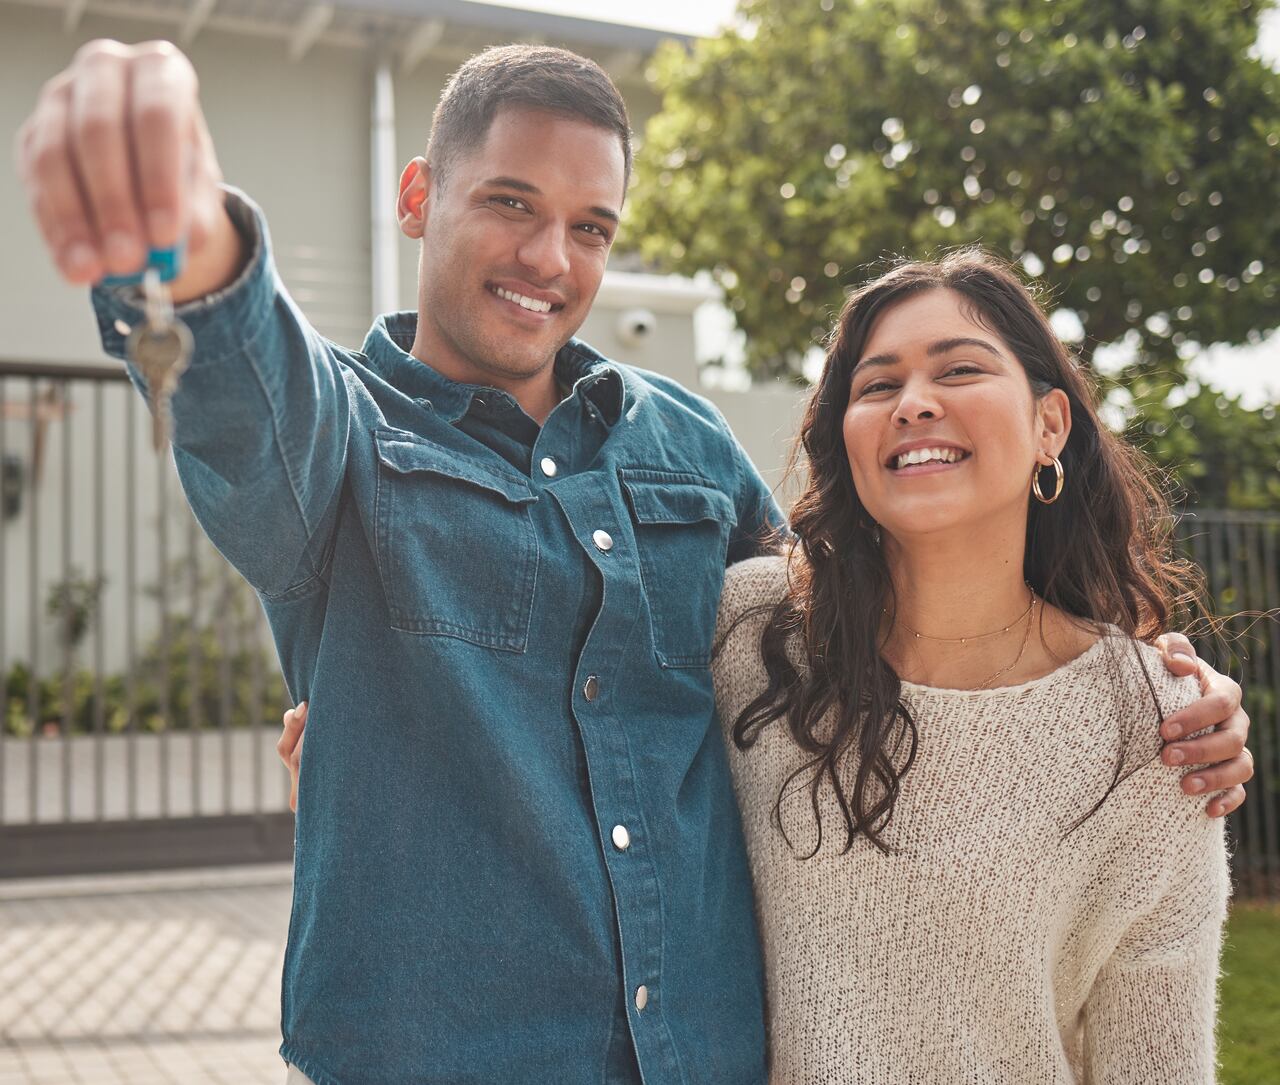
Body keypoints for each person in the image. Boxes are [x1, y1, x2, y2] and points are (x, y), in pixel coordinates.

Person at [17, 38, 1252, 1085]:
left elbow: (863, 627)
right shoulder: (337, 441)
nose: (548, 258)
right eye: (510, 203)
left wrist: (1143, 685)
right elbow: (239, 397)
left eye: (589, 226)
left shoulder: (683, 444)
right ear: (417, 196)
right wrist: (183, 238)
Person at [712, 252, 1231, 1081]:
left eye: (959, 369)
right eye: (878, 385)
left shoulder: (1160, 725)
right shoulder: (750, 633)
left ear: (1050, 425)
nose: (914, 402)